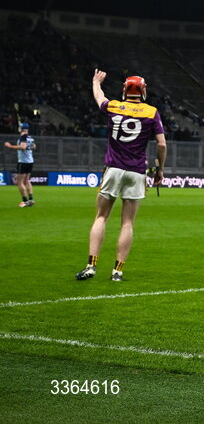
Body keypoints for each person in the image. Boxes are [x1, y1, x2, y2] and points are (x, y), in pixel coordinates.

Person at [76, 70, 166, 282]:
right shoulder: (152, 112)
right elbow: (161, 144)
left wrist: (96, 82)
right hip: (136, 172)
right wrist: (159, 170)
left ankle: (91, 265)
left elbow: (99, 97)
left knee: (101, 217)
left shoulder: (114, 106)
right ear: (143, 91)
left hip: (113, 169)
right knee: (127, 223)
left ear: (125, 90)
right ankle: (117, 271)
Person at [4, 122, 36, 207]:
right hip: (30, 161)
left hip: (23, 162)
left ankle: (25, 201)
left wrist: (10, 146)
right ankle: (31, 199)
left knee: (19, 182)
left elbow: (22, 147)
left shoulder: (23, 137)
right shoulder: (30, 138)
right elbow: (34, 146)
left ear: (20, 129)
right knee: (26, 180)